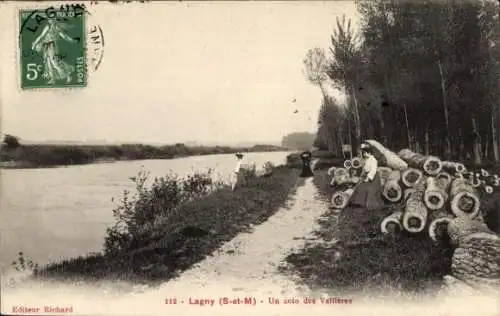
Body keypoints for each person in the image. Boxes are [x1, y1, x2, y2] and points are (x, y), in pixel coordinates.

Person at [348, 143, 384, 210]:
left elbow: (373, 170)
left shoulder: (373, 160)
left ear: (369, 153)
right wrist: (363, 174)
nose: (364, 154)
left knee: (368, 189)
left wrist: (368, 178)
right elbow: (365, 169)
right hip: (367, 176)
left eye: (365, 153)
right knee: (359, 187)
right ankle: (358, 203)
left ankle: (366, 204)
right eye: (364, 153)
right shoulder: (367, 159)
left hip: (374, 178)